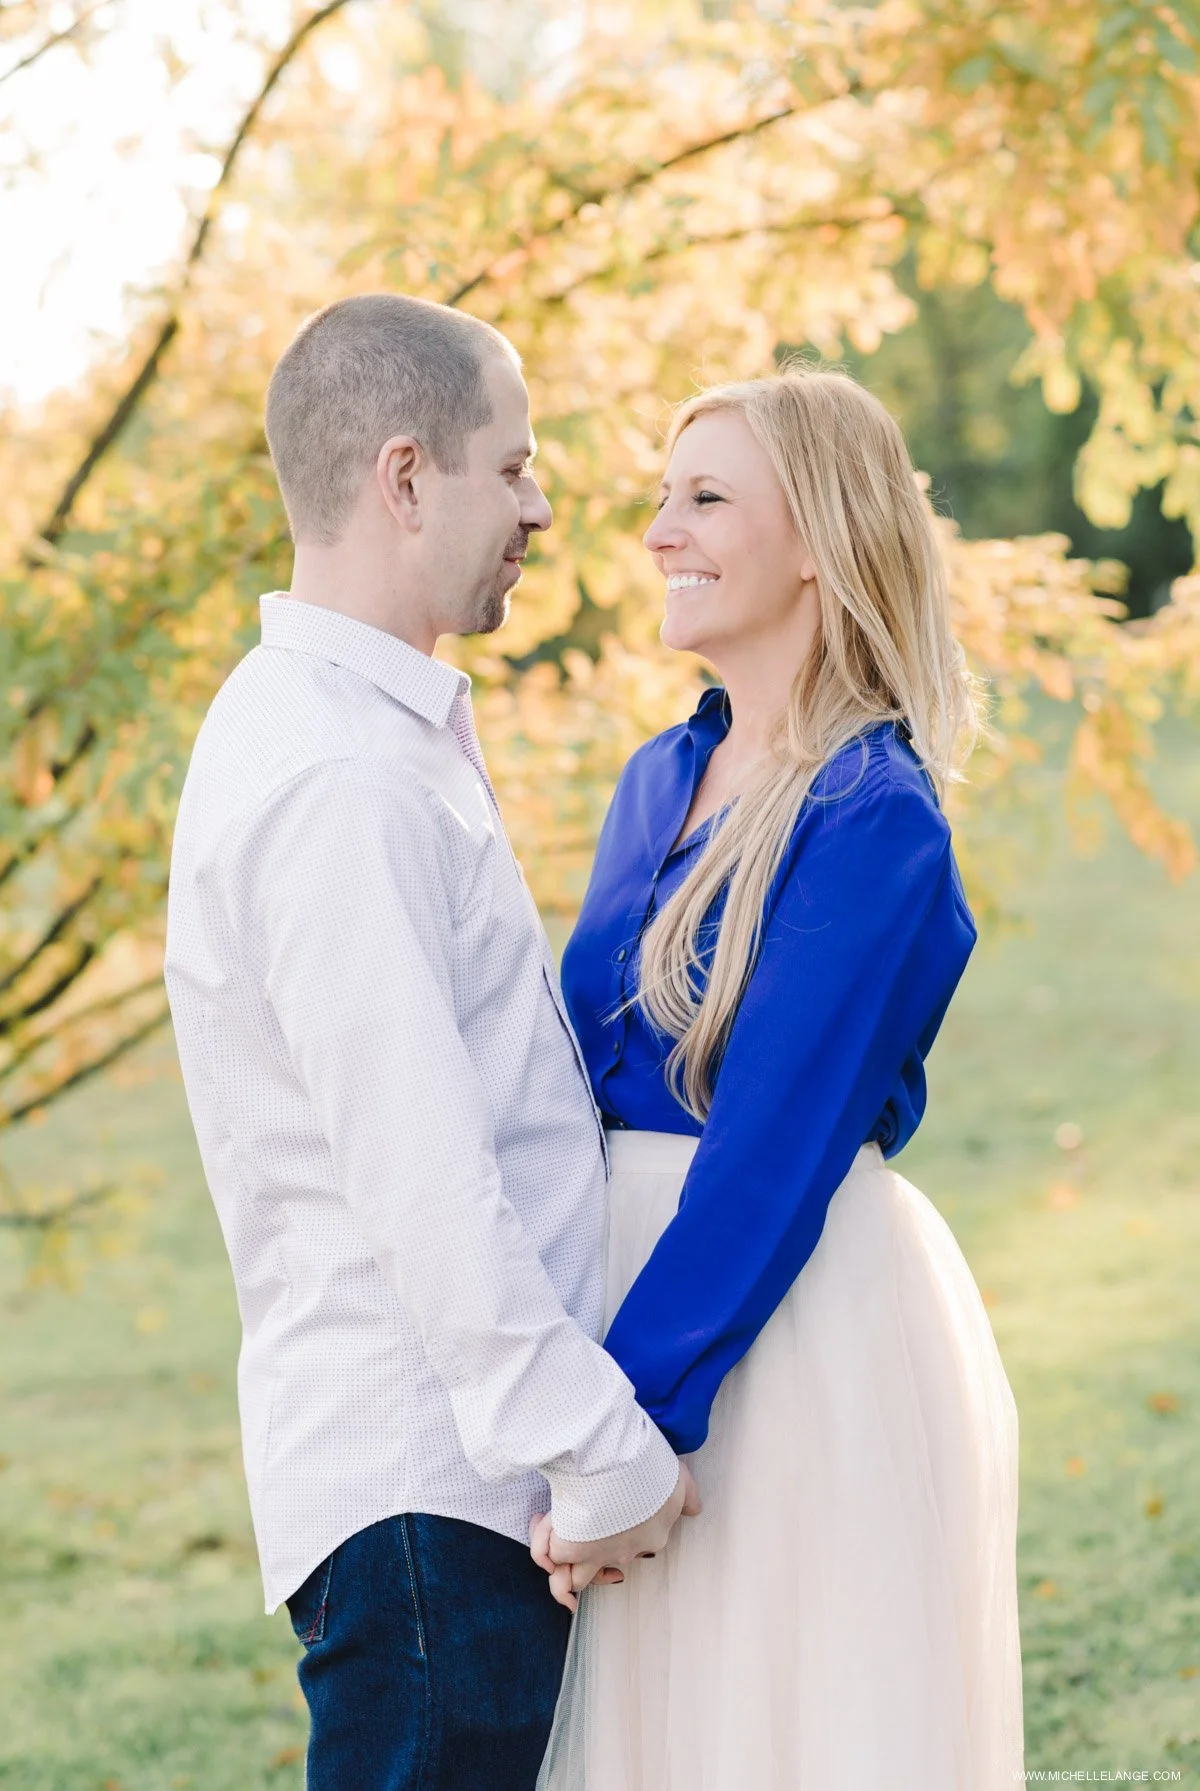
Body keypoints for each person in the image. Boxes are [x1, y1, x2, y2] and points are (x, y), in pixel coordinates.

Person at [163, 292, 698, 1791]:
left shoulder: (356, 733)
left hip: (445, 1504)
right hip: (436, 1512)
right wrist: (597, 1447)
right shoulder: (336, 775)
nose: (542, 505)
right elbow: (419, 1176)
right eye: (512, 466)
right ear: (407, 477)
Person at [532, 366, 1025, 1789]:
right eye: (659, 497)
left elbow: (772, 1149)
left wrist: (626, 1428)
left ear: (816, 534)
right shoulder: (656, 775)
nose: (657, 531)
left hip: (784, 1336)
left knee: (772, 1731)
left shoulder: (877, 817)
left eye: (704, 497)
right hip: (624, 1310)